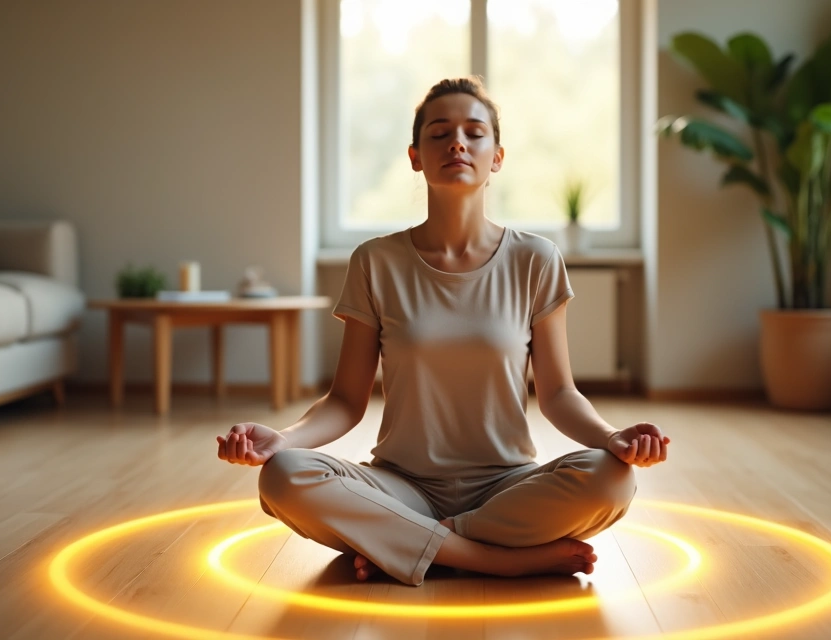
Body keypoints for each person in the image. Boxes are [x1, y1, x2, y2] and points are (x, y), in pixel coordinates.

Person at [216, 76, 669, 587]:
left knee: (611, 479)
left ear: (497, 156)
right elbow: (345, 400)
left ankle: (413, 544)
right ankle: (500, 560)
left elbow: (560, 394)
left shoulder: (535, 259)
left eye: (475, 132)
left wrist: (613, 438)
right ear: (415, 156)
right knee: (283, 475)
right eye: (440, 132)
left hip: (507, 485)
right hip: (399, 484)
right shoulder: (374, 261)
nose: (458, 142)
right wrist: (284, 439)